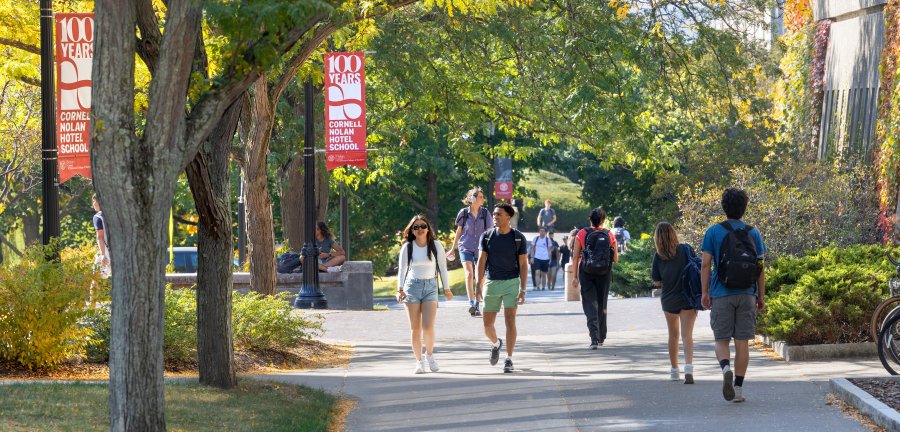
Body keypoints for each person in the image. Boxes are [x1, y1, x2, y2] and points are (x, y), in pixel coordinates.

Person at [701, 188, 766, 403]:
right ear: (744, 207)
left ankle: (725, 368)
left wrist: (705, 292)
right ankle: (738, 389)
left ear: (723, 206)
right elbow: (760, 266)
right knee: (742, 342)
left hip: (721, 293)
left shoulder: (713, 232)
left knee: (721, 340)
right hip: (747, 293)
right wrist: (760, 295)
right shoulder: (753, 232)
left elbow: (705, 264)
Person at [476, 203, 528, 373]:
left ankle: (509, 358)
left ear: (508, 216)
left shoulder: (518, 237)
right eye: (494, 214)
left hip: (512, 282)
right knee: (487, 325)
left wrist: (523, 289)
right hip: (491, 283)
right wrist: (478, 284)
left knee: (510, 320)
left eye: (499, 214)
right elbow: (481, 261)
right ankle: (496, 343)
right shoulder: (487, 236)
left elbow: (523, 264)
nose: (495, 217)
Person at [396, 215, 452, 374]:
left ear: (428, 228)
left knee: (428, 327)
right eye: (416, 227)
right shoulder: (408, 247)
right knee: (415, 329)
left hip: (430, 287)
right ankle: (419, 362)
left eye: (423, 226)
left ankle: (430, 356)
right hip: (412, 288)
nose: (420, 229)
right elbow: (402, 269)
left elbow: (442, 267)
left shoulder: (435, 245)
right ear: (412, 231)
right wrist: (399, 289)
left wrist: (446, 288)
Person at [651, 222, 697, 384]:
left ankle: (674, 371)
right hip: (687, 297)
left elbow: (657, 281)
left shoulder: (658, 256)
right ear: (673, 233)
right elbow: (696, 266)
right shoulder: (685, 250)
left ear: (657, 238)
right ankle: (689, 368)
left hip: (669, 299)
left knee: (673, 335)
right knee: (687, 335)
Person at [572, 208, 618, 349]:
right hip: (604, 273)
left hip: (586, 272)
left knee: (589, 304)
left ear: (590, 219)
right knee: (602, 304)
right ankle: (601, 337)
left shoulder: (582, 233)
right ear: (603, 220)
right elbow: (615, 259)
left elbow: (575, 256)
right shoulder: (609, 234)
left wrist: (574, 276)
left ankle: (594, 337)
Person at [447, 187, 493, 317]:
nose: (483, 199)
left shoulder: (485, 213)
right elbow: (459, 231)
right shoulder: (464, 213)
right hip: (465, 247)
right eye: (480, 197)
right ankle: (471, 303)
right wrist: (452, 248)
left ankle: (478, 304)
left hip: (481, 249)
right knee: (468, 274)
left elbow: (490, 232)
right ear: (473, 198)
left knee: (480, 277)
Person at [92, 194, 110, 279]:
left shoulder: (98, 217)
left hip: (107, 253)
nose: (93, 204)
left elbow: (100, 237)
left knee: (96, 279)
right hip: (122, 253)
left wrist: (103, 254)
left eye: (93, 201)